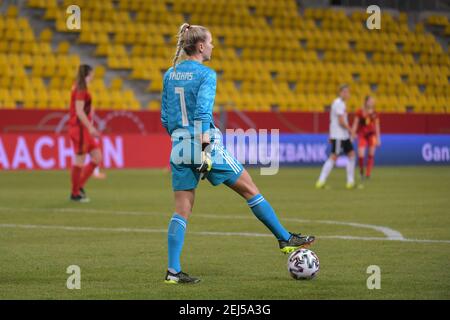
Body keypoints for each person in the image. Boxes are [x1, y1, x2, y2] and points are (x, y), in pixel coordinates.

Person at [161, 23, 315, 284]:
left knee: (181, 209)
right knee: (249, 188)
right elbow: (201, 114)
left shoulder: (170, 74)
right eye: (210, 42)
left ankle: (173, 272)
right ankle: (284, 238)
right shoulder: (206, 74)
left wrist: (182, 143)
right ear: (200, 46)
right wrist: (205, 150)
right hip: (203, 145)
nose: (212, 46)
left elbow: (165, 117)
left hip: (178, 146)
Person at [68, 64, 102, 202]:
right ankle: (75, 193)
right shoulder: (81, 88)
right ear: (88, 73)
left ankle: (78, 186)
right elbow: (79, 111)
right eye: (92, 73)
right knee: (79, 160)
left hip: (83, 128)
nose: (94, 76)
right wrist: (90, 127)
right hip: (80, 129)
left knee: (97, 157)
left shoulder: (80, 86)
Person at [315, 85, 356, 189]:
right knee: (333, 157)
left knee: (351, 155)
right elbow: (341, 121)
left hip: (343, 135)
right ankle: (320, 181)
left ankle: (350, 182)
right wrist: (351, 130)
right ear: (341, 93)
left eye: (348, 92)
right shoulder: (338, 103)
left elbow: (333, 120)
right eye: (346, 92)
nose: (347, 94)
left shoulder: (341, 103)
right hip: (339, 135)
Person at [351, 96, 381, 181]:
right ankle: (361, 172)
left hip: (372, 135)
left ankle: (368, 174)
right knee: (361, 155)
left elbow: (377, 126)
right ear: (366, 102)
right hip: (362, 135)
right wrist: (352, 135)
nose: (372, 102)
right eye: (370, 100)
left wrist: (378, 138)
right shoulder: (360, 112)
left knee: (371, 155)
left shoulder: (375, 113)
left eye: (373, 101)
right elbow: (355, 123)